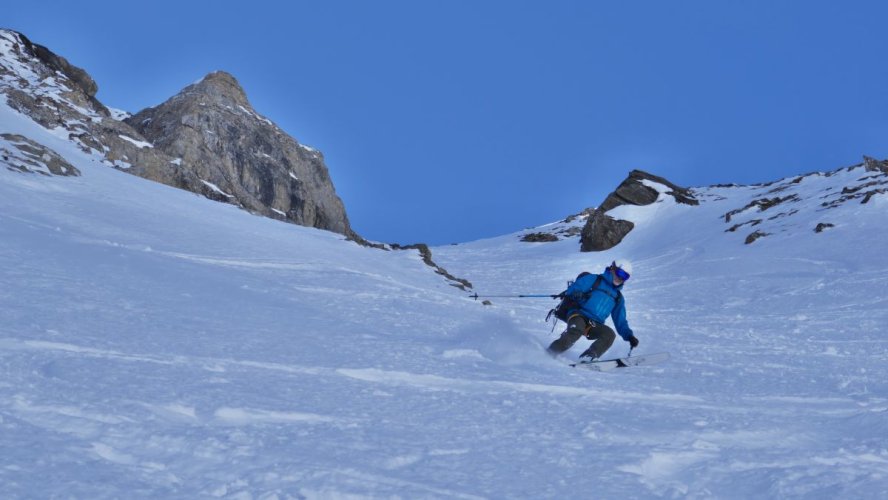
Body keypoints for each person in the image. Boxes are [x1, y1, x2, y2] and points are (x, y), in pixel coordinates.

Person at [547, 260, 639, 360]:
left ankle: (588, 357)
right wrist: (577, 294)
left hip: (593, 323)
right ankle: (550, 353)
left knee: (609, 335)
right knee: (577, 330)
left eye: (625, 277)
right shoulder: (594, 279)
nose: (621, 278)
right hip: (578, 314)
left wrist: (629, 336)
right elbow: (571, 290)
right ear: (612, 269)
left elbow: (620, 320)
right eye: (620, 273)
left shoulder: (618, 297)